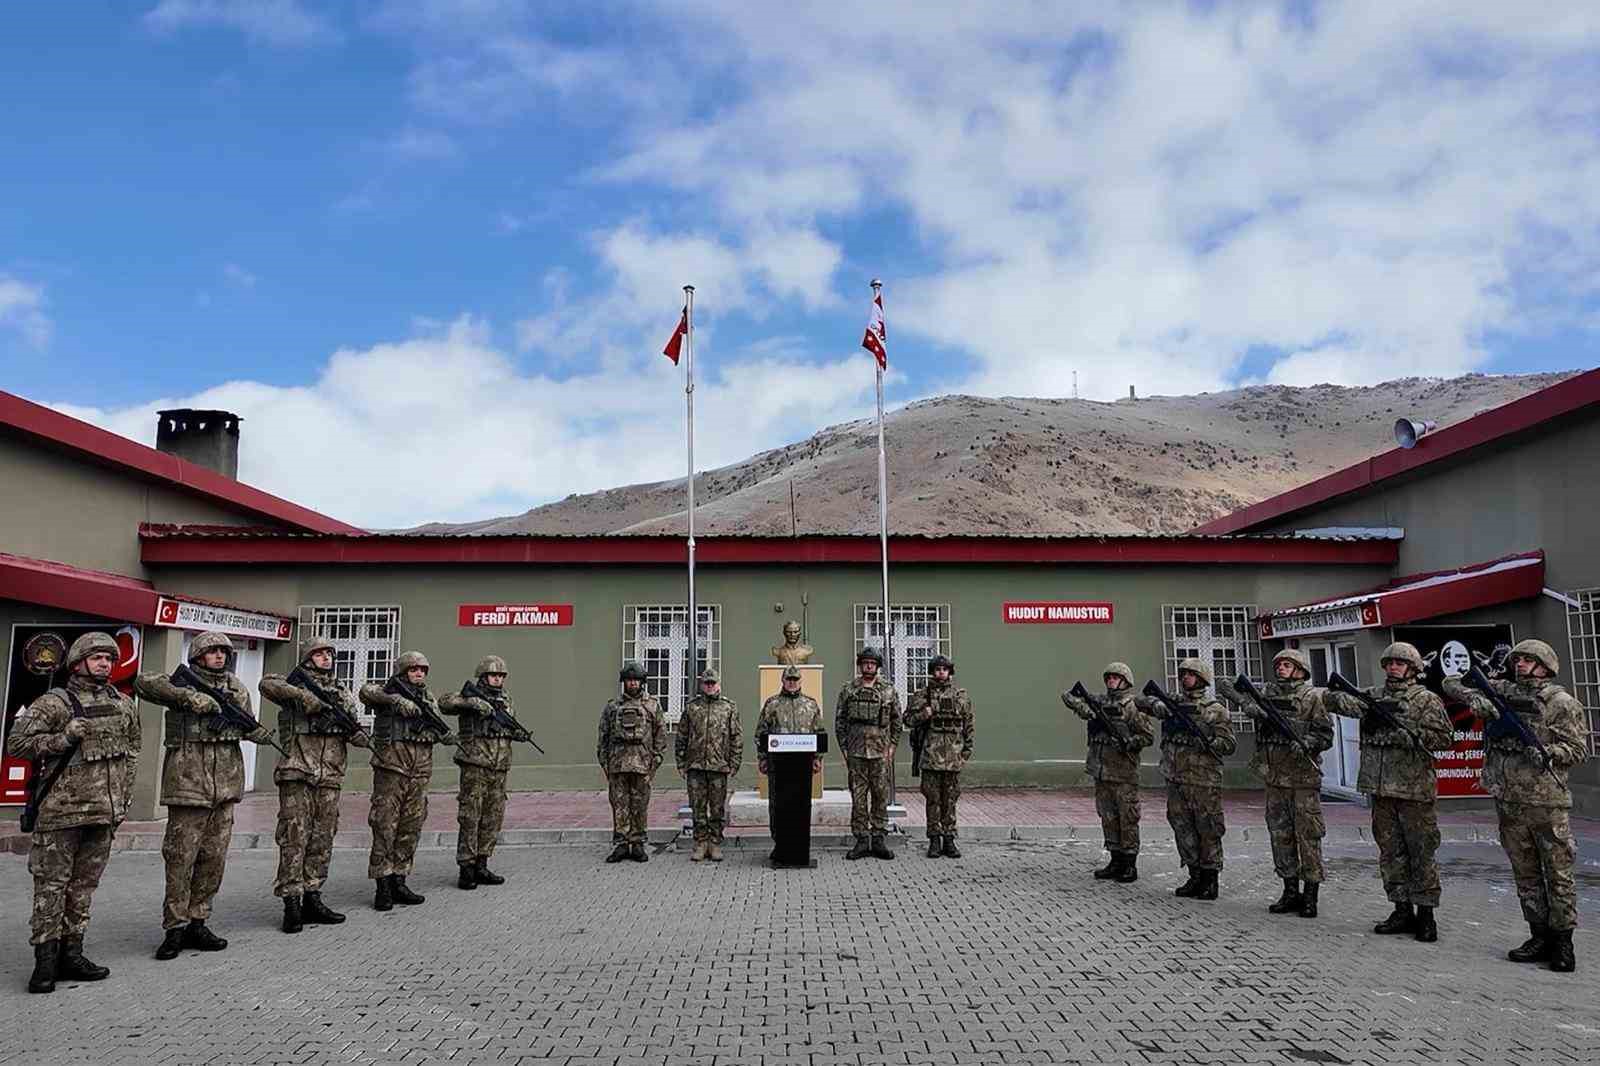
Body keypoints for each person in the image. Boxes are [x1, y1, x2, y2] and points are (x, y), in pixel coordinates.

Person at [1442, 639, 1587, 972]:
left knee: (1559, 874)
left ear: (1545, 666)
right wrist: (1484, 681)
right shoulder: (1501, 689)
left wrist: (1551, 752)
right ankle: (1538, 936)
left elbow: (1578, 749)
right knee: (1526, 874)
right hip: (1509, 799)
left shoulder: (1561, 703)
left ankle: (1563, 942)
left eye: (1528, 660)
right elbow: (1451, 685)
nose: (1520, 664)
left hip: (1546, 802)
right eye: (1517, 659)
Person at [7, 633, 140, 993]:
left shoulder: (123, 704)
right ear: (79, 662)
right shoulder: (55, 702)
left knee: (83, 887)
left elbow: (131, 752)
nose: (104, 664)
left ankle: (73, 953)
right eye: (96, 658)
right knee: (51, 887)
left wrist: (123, 801)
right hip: (61, 813)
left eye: (109, 659)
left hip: (103, 814)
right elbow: (16, 744)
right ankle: (45, 962)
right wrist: (61, 738)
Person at [136, 631, 272, 960]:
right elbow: (145, 682)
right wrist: (187, 698)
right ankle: (174, 927)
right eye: (212, 651)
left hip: (224, 786)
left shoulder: (236, 687)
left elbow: (243, 724)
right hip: (188, 785)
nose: (220, 656)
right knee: (180, 859)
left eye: (223, 652)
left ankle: (199, 920)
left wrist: (255, 731)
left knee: (213, 859)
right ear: (198, 655)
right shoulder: (182, 683)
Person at [1323, 642, 1454, 943]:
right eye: (1390, 662)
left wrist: (1411, 734)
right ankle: (1401, 909)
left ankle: (1426, 913)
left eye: (1400, 663)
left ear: (1413, 668)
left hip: (1413, 790)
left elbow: (1445, 739)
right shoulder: (1373, 697)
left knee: (1421, 852)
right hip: (1381, 789)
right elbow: (1341, 704)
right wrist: (1327, 694)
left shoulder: (1426, 701)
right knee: (1391, 853)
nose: (1393, 667)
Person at [258, 636, 369, 933]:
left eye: (329, 654)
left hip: (330, 775)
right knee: (294, 836)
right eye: (320, 654)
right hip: (298, 771)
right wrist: (303, 696)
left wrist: (356, 735)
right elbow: (267, 684)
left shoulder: (341, 690)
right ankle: (291, 902)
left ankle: (313, 895)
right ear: (308, 658)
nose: (326, 658)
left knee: (322, 838)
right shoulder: (295, 685)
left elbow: (351, 722)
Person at [1220, 649, 1334, 918]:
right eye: (1279, 664)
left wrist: (1307, 742)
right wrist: (1246, 704)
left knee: (1308, 838)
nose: (1281, 668)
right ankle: (1289, 891)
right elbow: (1253, 709)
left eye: (1287, 665)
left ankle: (1310, 895)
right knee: (1280, 836)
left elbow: (1326, 735)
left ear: (1300, 670)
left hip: (1303, 779)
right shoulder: (1268, 695)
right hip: (1275, 778)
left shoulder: (1311, 698)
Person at [359, 651, 456, 911]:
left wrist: (444, 735)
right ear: (403, 672)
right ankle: (382, 883)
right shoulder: (388, 693)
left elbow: (436, 724)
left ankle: (399, 879)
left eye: (423, 670)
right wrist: (396, 700)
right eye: (413, 670)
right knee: (385, 825)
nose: (419, 674)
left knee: (411, 825)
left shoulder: (428, 698)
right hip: (392, 768)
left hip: (419, 770)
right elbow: (366, 692)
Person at [1147, 658, 1236, 901]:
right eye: (1183, 673)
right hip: (1175, 777)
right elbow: (1142, 702)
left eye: (1190, 674)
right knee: (1181, 825)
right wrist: (1157, 705)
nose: (1185, 677)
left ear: (1202, 678)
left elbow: (1229, 744)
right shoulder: (1174, 703)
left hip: (1203, 779)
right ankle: (1194, 874)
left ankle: (1210, 879)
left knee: (1207, 829)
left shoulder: (1215, 709)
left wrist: (1208, 742)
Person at [1061, 662, 1155, 882]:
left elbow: (1148, 736)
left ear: (1125, 681)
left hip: (1123, 773)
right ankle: (1115, 860)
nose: (1111, 681)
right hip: (1102, 771)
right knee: (1108, 818)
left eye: (1115, 677)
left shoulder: (1132, 706)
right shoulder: (1099, 703)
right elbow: (1067, 696)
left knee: (1127, 819)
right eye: (1109, 678)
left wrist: (1130, 741)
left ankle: (1130, 865)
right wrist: (1084, 708)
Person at [440, 655, 523, 889]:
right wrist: (470, 704)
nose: (497, 679)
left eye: (500, 676)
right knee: (470, 815)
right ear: (483, 677)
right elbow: (444, 703)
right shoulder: (469, 696)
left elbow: (507, 727)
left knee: (493, 816)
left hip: (499, 766)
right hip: (475, 764)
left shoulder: (506, 699)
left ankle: (482, 864)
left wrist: (516, 733)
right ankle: (466, 867)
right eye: (493, 675)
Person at [835, 647, 903, 860]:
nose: (868, 666)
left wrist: (891, 748)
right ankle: (862, 839)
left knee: (881, 796)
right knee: (858, 797)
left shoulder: (889, 690)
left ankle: (879, 838)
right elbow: (840, 721)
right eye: (865, 663)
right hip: (856, 753)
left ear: (877, 666)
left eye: (872, 663)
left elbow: (897, 721)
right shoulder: (849, 690)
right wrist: (845, 749)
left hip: (880, 754)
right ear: (860, 665)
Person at [597, 661, 666, 863]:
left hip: (643, 765)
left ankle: (637, 843)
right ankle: (620, 844)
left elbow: (660, 736)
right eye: (629, 680)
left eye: (636, 680)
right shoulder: (612, 707)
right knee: (619, 805)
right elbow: (603, 736)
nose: (633, 683)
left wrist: (655, 762)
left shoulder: (652, 705)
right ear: (624, 682)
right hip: (618, 765)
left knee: (640, 805)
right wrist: (605, 764)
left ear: (642, 682)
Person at [906, 655, 974, 858]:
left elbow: (968, 726)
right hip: (930, 758)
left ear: (950, 672)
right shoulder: (922, 695)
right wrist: (923, 715)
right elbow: (907, 719)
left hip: (953, 758)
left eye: (945, 669)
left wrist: (965, 753)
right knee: (933, 800)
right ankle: (934, 840)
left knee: (950, 800)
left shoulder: (960, 696)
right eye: (937, 669)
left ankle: (950, 840)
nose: (941, 672)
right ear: (932, 671)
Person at [675, 667, 741, 862]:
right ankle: (700, 843)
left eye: (713, 683)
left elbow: (736, 737)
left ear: (719, 684)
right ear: (702, 685)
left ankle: (715, 843)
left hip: (719, 767)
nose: (710, 686)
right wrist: (681, 762)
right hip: (695, 766)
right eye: (707, 683)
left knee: (717, 809)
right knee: (698, 808)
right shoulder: (692, 707)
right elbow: (682, 737)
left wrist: (734, 762)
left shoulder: (729, 707)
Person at [756, 665, 825, 852]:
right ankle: (780, 844)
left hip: (802, 766)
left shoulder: (811, 704)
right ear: (783, 680)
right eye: (789, 679)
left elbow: (819, 732)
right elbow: (761, 733)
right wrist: (762, 758)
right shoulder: (772, 704)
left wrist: (817, 758)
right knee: (778, 805)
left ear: (801, 681)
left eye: (795, 679)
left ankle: (799, 846)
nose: (792, 683)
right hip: (778, 765)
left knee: (801, 805)